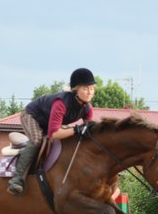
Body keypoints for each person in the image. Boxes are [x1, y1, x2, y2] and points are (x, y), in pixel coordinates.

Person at [7, 68, 96, 196]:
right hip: (31, 116)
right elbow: (54, 134)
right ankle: (17, 179)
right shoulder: (61, 103)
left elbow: (89, 129)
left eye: (92, 88)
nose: (90, 92)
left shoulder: (87, 108)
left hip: (48, 121)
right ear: (76, 89)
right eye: (86, 88)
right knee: (36, 140)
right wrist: (76, 129)